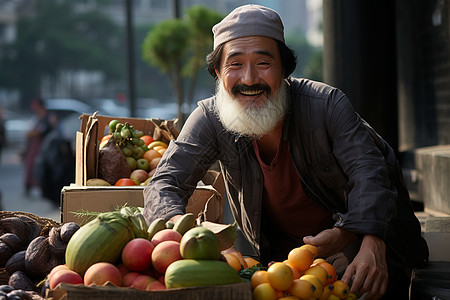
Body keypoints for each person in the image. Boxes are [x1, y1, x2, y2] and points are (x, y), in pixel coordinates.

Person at [143, 4, 428, 299]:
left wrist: (370, 242)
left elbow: (370, 171)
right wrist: (184, 232)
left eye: (264, 63)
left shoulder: (327, 105)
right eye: (235, 64)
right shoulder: (210, 117)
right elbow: (164, 183)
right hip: (284, 267)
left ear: (284, 69)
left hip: (360, 252)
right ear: (218, 72)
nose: (250, 79)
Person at [23, 97, 55, 196]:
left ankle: (42, 187)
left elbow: (44, 131)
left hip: (45, 147)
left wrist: (35, 134)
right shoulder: (37, 118)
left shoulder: (49, 118)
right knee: (30, 166)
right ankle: (29, 186)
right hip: (34, 147)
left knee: (41, 167)